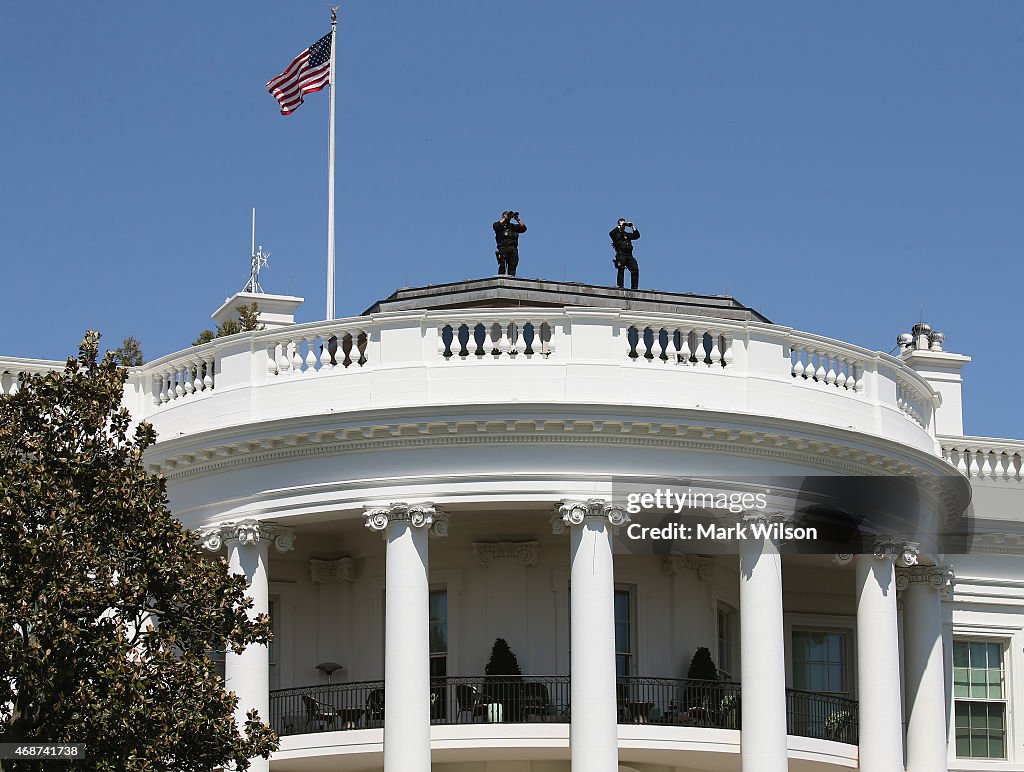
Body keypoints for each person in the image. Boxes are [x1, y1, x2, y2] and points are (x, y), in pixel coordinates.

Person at [493, 210, 527, 276]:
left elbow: (523, 228)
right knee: (502, 266)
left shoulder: (513, 226)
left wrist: (517, 219)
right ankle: (501, 279)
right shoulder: (500, 226)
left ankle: (511, 279)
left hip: (513, 248)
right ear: (503, 216)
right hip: (503, 247)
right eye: (507, 214)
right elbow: (495, 226)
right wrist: (504, 218)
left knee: (513, 265)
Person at [610, 218, 640, 289]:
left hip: (629, 255)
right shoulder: (616, 235)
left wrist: (632, 226)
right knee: (621, 268)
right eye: (622, 224)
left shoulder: (627, 235)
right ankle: (620, 286)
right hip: (621, 254)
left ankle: (634, 288)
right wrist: (619, 226)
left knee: (635, 269)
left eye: (624, 224)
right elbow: (611, 234)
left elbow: (637, 236)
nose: (623, 226)